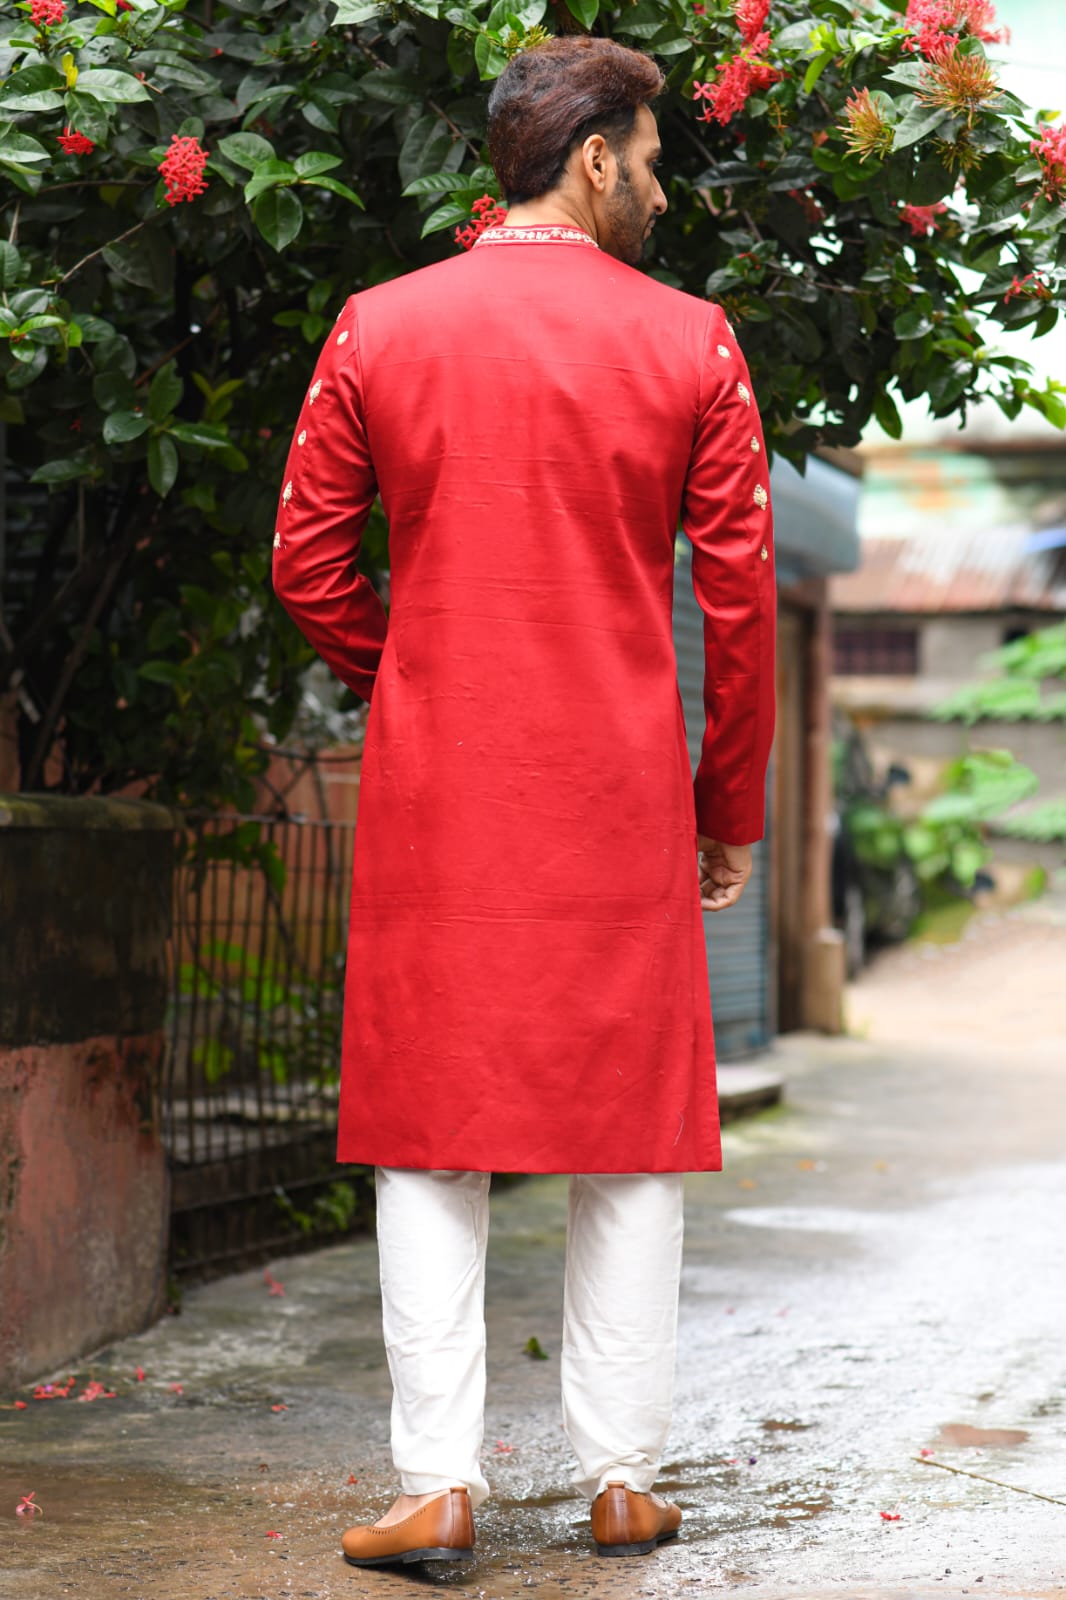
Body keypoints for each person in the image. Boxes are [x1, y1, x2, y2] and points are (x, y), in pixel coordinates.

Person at [271, 33, 775, 1568]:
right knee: (625, 1132)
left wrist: (410, 670)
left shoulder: (379, 324)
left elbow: (305, 565)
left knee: (431, 1131)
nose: (662, 185)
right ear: (591, 154)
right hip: (619, 785)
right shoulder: (691, 344)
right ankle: (623, 1476)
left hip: (441, 786)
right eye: (651, 154)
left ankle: (438, 1483)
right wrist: (724, 804)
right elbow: (738, 602)